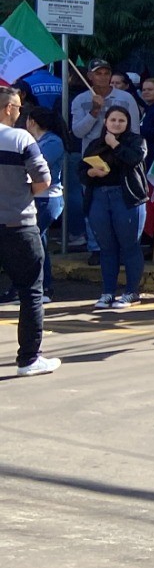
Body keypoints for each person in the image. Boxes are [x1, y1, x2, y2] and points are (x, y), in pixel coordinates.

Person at [0, 87, 56, 376]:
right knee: (31, 292)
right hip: (17, 225)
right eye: (19, 108)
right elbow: (43, 180)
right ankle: (29, 359)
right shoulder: (21, 137)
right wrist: (20, 196)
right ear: (9, 108)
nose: (21, 113)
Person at [70, 59, 139, 263]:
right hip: (93, 159)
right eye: (97, 73)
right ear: (90, 76)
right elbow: (78, 131)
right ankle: (96, 247)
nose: (102, 76)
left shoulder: (126, 98)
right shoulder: (80, 99)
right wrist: (94, 111)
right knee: (93, 205)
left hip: (119, 156)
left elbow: (134, 130)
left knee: (119, 205)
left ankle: (119, 247)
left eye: (106, 72)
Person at [82, 105, 149, 309]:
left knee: (129, 246)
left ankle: (131, 291)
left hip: (126, 198)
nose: (117, 124)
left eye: (121, 121)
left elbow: (133, 159)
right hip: (100, 198)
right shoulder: (95, 144)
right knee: (107, 248)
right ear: (106, 122)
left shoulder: (136, 141)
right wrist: (90, 174)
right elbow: (81, 170)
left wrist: (115, 145)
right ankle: (108, 292)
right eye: (113, 120)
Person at [23, 108, 65, 304]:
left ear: (32, 121)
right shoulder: (34, 140)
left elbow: (36, 165)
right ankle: (37, 286)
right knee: (39, 242)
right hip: (34, 196)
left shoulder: (53, 141)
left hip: (49, 198)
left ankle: (43, 287)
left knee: (34, 242)